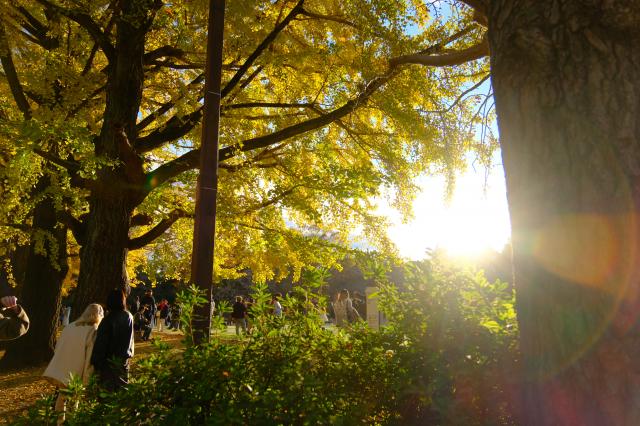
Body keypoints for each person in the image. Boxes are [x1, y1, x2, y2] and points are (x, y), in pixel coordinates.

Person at [43, 304, 104, 424]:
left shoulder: (70, 326)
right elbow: (89, 356)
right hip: (77, 371)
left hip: (63, 367)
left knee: (62, 397)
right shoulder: (93, 330)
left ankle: (59, 422)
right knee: (74, 401)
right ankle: (72, 422)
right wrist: (87, 378)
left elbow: (58, 346)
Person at [91, 289, 134, 391]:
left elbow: (101, 343)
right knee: (121, 392)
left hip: (108, 363)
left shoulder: (108, 320)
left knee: (107, 394)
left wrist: (95, 362)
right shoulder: (129, 316)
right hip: (124, 361)